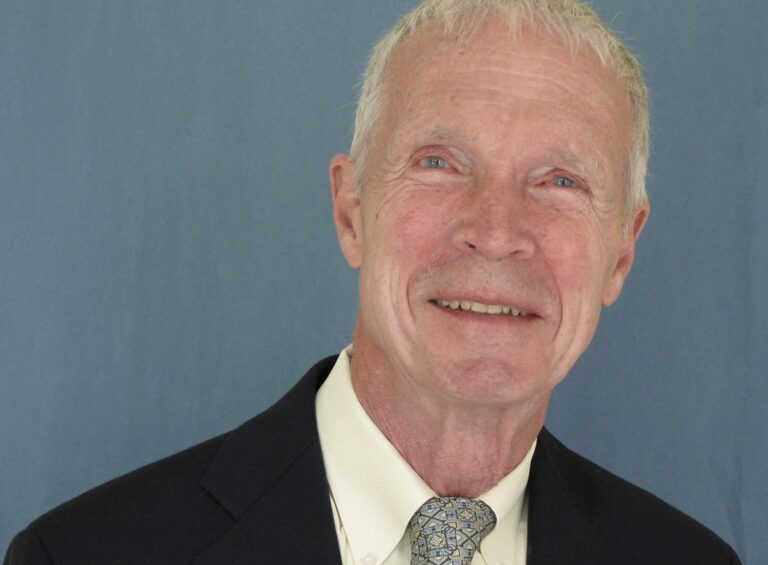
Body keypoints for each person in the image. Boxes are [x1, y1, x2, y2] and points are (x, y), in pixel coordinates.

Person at [4, 1, 741, 563]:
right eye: (439, 162)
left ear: (620, 253)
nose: (497, 228)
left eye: (559, 180)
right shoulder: (82, 553)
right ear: (352, 209)